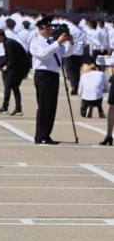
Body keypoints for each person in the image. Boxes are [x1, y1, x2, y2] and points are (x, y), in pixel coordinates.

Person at [31, 16, 74, 145]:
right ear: (41, 28)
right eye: (48, 28)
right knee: (43, 106)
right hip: (42, 75)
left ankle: (47, 134)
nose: (50, 30)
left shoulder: (52, 42)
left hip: (54, 75)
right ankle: (40, 135)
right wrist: (58, 42)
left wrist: (70, 43)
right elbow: (44, 55)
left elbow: (66, 54)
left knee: (51, 106)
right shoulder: (36, 42)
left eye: (51, 28)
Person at [0, 29, 30, 116]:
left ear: (0, 36)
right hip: (18, 67)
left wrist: (7, 67)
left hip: (20, 67)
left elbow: (12, 58)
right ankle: (18, 109)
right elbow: (6, 58)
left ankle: (5, 108)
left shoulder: (8, 43)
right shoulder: (6, 42)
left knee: (8, 85)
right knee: (14, 86)